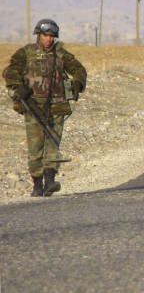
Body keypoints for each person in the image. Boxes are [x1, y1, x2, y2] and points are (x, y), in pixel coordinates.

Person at [3, 19, 87, 197]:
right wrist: (19, 87)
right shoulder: (26, 53)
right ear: (38, 35)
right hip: (33, 106)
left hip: (57, 107)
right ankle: (36, 184)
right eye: (44, 35)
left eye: (51, 36)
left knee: (52, 145)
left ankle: (50, 180)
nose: (48, 39)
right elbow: (10, 71)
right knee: (35, 148)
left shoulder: (61, 54)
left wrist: (78, 83)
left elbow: (79, 70)